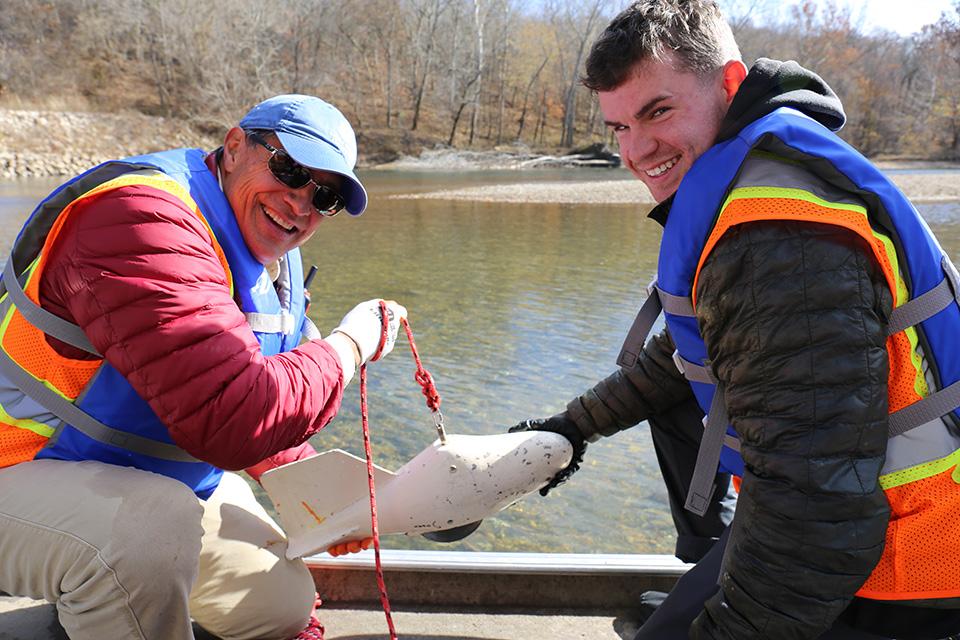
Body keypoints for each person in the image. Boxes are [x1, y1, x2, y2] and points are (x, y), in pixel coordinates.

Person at [510, 2, 960, 638]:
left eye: (658, 112)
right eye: (619, 128)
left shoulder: (780, 236)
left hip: (911, 561)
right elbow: (682, 360)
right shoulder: (756, 179)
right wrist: (571, 429)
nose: (636, 152)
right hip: (861, 525)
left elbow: (816, 509)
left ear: (729, 83)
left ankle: (722, 589)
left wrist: (729, 627)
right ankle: (714, 569)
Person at [0, 94, 406, 640]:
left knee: (279, 604)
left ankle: (106, 595)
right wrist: (349, 346)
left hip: (126, 474)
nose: (299, 204)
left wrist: (322, 495)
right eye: (289, 169)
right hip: (16, 466)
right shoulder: (140, 218)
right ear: (235, 145)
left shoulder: (267, 247)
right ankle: (103, 584)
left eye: (325, 196)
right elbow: (235, 417)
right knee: (146, 533)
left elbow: (251, 391)